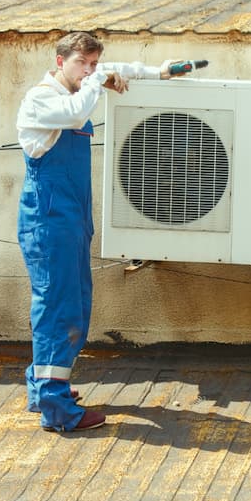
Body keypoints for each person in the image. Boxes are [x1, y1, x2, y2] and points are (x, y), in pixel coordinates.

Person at [15, 31, 180, 433]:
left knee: (71, 302)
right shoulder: (43, 99)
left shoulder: (80, 85)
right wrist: (97, 82)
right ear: (59, 62)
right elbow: (75, 112)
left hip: (70, 218)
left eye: (92, 64)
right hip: (50, 218)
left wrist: (157, 72)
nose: (88, 71)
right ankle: (57, 410)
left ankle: (43, 388)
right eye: (80, 63)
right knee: (58, 308)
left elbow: (114, 71)